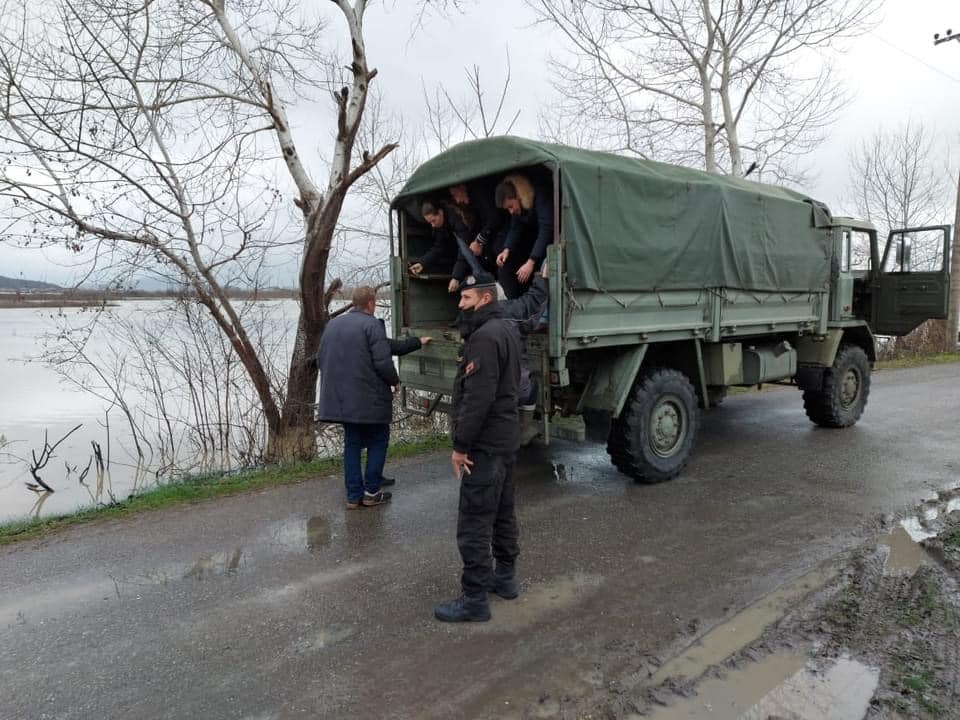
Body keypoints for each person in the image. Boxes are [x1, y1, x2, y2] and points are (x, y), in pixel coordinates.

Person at [435, 271, 523, 623]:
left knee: (475, 519)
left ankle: (474, 599)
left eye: (466, 298)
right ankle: (505, 579)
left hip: (485, 445)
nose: (460, 303)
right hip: (505, 438)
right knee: (503, 512)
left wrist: (460, 446)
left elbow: (477, 399)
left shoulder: (485, 337)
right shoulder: (507, 329)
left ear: (485, 298)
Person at [316, 286, 431, 509]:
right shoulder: (371, 324)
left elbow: (322, 359)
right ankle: (371, 492)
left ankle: (353, 496)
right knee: (378, 440)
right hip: (369, 398)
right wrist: (394, 381)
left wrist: (417, 341)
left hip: (342, 400)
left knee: (352, 444)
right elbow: (383, 361)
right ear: (371, 303)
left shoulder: (333, 324)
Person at [494, 174, 554, 299]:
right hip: (536, 243)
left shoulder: (540, 194)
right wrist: (506, 249)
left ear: (518, 197)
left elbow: (547, 229)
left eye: (511, 206)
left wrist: (531, 261)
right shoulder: (518, 208)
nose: (511, 211)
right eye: (507, 209)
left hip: (552, 241)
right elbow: (515, 227)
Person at [408, 200, 470, 293]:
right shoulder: (440, 227)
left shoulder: (457, 220)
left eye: (433, 220)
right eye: (430, 223)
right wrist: (422, 263)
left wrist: (456, 277)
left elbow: (464, 249)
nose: (433, 225)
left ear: (440, 212)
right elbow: (438, 248)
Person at [447, 182, 507, 274]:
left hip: (502, 236)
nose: (457, 200)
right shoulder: (473, 201)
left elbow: (495, 217)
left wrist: (479, 241)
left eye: (455, 194)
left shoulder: (480, 193)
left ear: (462, 187)